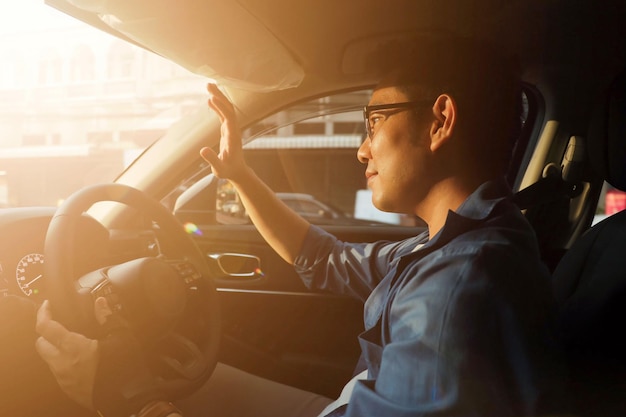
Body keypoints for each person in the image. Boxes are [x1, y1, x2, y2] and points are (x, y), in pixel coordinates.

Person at [36, 34, 563, 417]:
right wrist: (240, 175)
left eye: (375, 122)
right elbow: (324, 259)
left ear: (440, 121)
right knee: (194, 382)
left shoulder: (458, 292)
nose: (361, 148)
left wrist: (126, 397)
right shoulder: (461, 243)